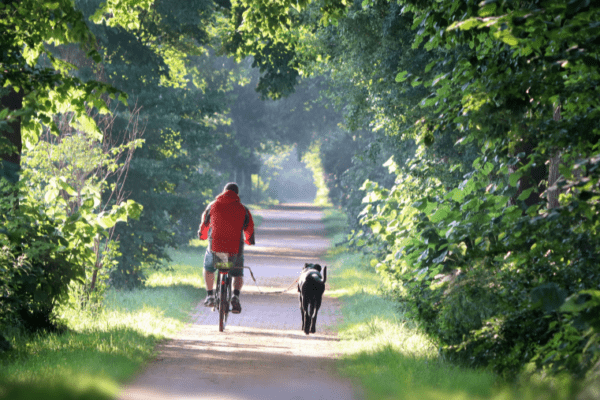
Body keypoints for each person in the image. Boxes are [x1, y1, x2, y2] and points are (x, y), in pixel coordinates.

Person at [198, 182, 255, 313]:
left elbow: (204, 225)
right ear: (237, 194)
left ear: (223, 192)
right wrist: (248, 240)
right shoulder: (243, 209)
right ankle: (235, 296)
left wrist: (202, 236)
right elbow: (249, 230)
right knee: (238, 273)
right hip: (234, 251)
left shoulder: (212, 206)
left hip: (216, 249)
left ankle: (210, 296)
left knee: (208, 268)